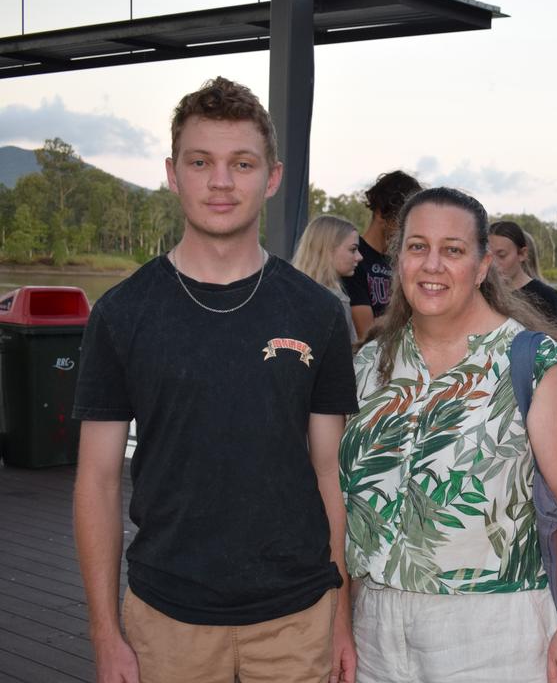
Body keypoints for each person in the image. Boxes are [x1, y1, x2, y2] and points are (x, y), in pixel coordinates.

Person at [72, 77, 358, 682]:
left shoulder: (317, 312)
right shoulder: (122, 313)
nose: (221, 181)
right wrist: (104, 631)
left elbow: (330, 471)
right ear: (173, 174)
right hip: (165, 620)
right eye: (200, 162)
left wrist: (340, 618)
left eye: (241, 163)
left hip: (297, 619)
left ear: (272, 178)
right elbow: (96, 480)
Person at [340, 187, 557, 682]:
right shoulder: (370, 364)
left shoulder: (528, 359)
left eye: (453, 250)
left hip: (493, 629)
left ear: (482, 267)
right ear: (398, 261)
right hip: (373, 623)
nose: (432, 264)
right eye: (417, 247)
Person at [343, 169, 421, 341]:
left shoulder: (405, 260)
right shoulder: (354, 259)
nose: (407, 229)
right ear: (380, 213)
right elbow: (366, 332)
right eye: (402, 221)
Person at [293, 214, 363, 344]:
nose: (359, 257)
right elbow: (348, 359)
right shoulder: (337, 302)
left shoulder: (287, 293)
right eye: (353, 249)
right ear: (328, 250)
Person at [491, 220, 557, 328]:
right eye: (488, 255)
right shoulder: (483, 295)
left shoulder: (547, 297)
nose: (493, 263)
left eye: (502, 255)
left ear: (522, 254)